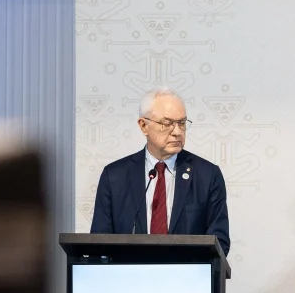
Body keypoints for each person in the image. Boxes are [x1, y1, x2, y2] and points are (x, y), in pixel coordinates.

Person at [90, 88, 230, 256]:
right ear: (144, 126)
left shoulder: (207, 175)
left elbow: (219, 242)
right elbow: (99, 243)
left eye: (182, 123)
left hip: (186, 272)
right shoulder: (114, 176)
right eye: (167, 123)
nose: (177, 132)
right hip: (130, 271)